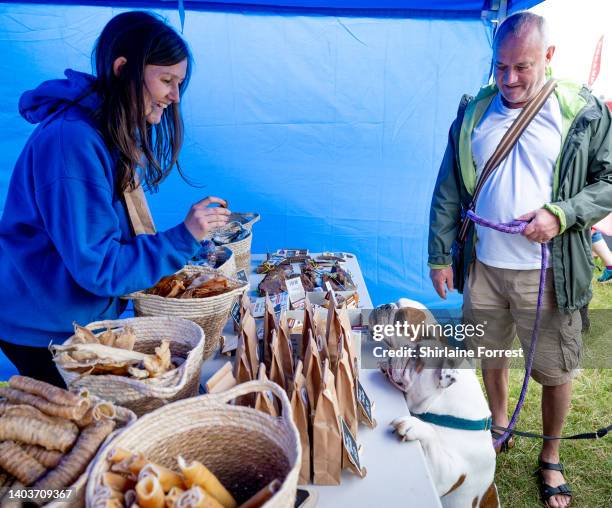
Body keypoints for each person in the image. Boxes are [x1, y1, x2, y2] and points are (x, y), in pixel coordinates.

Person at [428, 12, 612, 508]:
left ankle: (550, 456)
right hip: (484, 266)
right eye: (500, 66)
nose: (509, 79)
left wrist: (562, 213)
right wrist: (440, 255)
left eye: (522, 67)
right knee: (490, 352)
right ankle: (500, 421)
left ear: (548, 57)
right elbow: (449, 188)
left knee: (554, 369)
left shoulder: (582, 110)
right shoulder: (474, 111)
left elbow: (609, 182)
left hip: (548, 272)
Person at [0, 12, 231, 387]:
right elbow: (98, 267)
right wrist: (183, 237)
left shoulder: (107, 130)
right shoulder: (70, 143)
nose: (174, 97)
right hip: (44, 331)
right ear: (123, 69)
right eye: (166, 80)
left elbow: (114, 240)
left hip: (77, 316)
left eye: (179, 83)